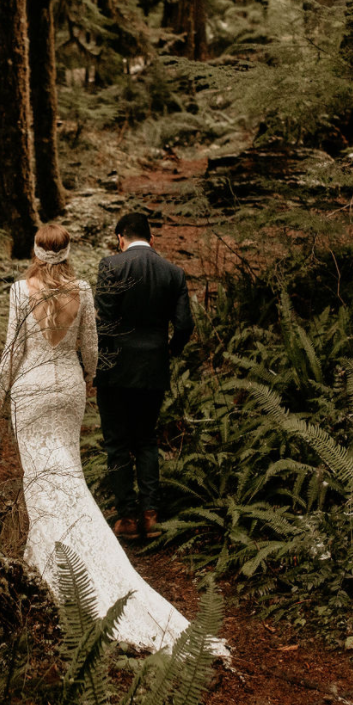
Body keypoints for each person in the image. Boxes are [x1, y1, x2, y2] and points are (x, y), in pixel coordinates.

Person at [0, 223, 223, 655]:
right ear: (68, 251)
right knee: (69, 474)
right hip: (69, 391)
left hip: (31, 390)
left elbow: (11, 351)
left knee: (40, 479)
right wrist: (90, 379)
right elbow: (91, 346)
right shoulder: (82, 289)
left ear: (36, 251)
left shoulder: (20, 292)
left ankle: (46, 567)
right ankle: (85, 554)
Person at [93, 212, 193, 540]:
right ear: (152, 240)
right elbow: (184, 325)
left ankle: (126, 518)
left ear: (120, 238)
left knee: (118, 442)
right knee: (147, 439)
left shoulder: (111, 265)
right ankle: (151, 514)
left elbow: (103, 321)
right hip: (153, 367)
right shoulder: (173, 273)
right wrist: (168, 352)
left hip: (115, 368)